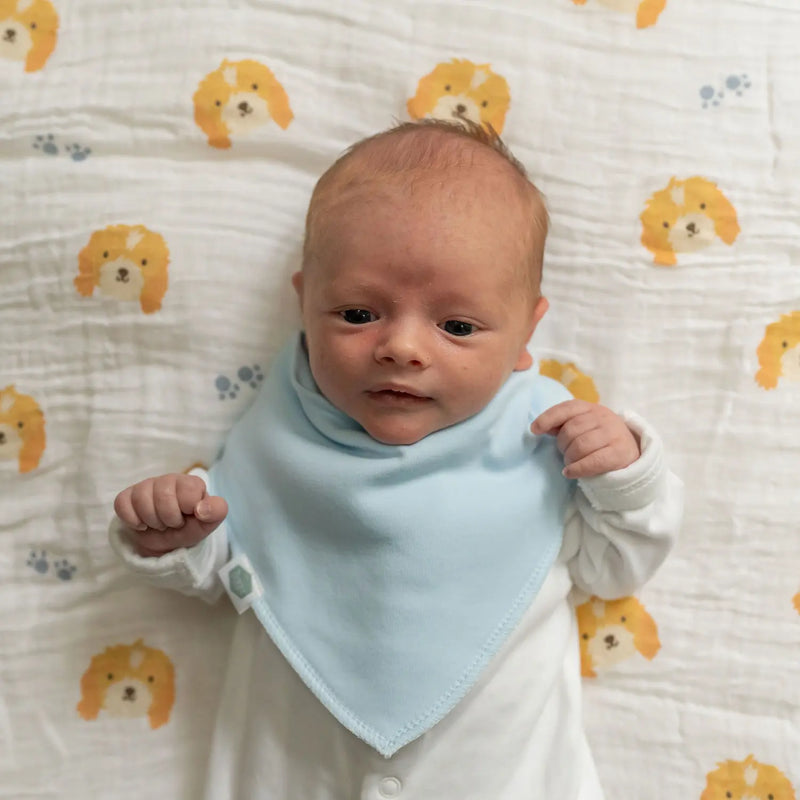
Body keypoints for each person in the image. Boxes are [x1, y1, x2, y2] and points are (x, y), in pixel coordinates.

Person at [110, 119, 683, 800]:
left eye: (458, 326)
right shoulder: (279, 432)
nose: (402, 347)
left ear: (527, 333)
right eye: (357, 314)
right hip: (295, 771)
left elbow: (614, 569)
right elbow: (237, 568)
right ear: (305, 303)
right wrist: (176, 538)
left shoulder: (547, 434)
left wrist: (626, 475)